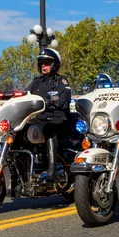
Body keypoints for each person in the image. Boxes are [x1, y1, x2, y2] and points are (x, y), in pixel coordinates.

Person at [25, 47, 72, 183]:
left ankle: (52, 170)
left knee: (49, 129)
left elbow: (63, 100)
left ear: (54, 64)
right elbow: (24, 94)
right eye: (42, 63)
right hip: (39, 119)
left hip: (57, 119)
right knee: (20, 129)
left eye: (47, 63)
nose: (44, 66)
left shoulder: (61, 81)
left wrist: (51, 102)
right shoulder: (36, 82)